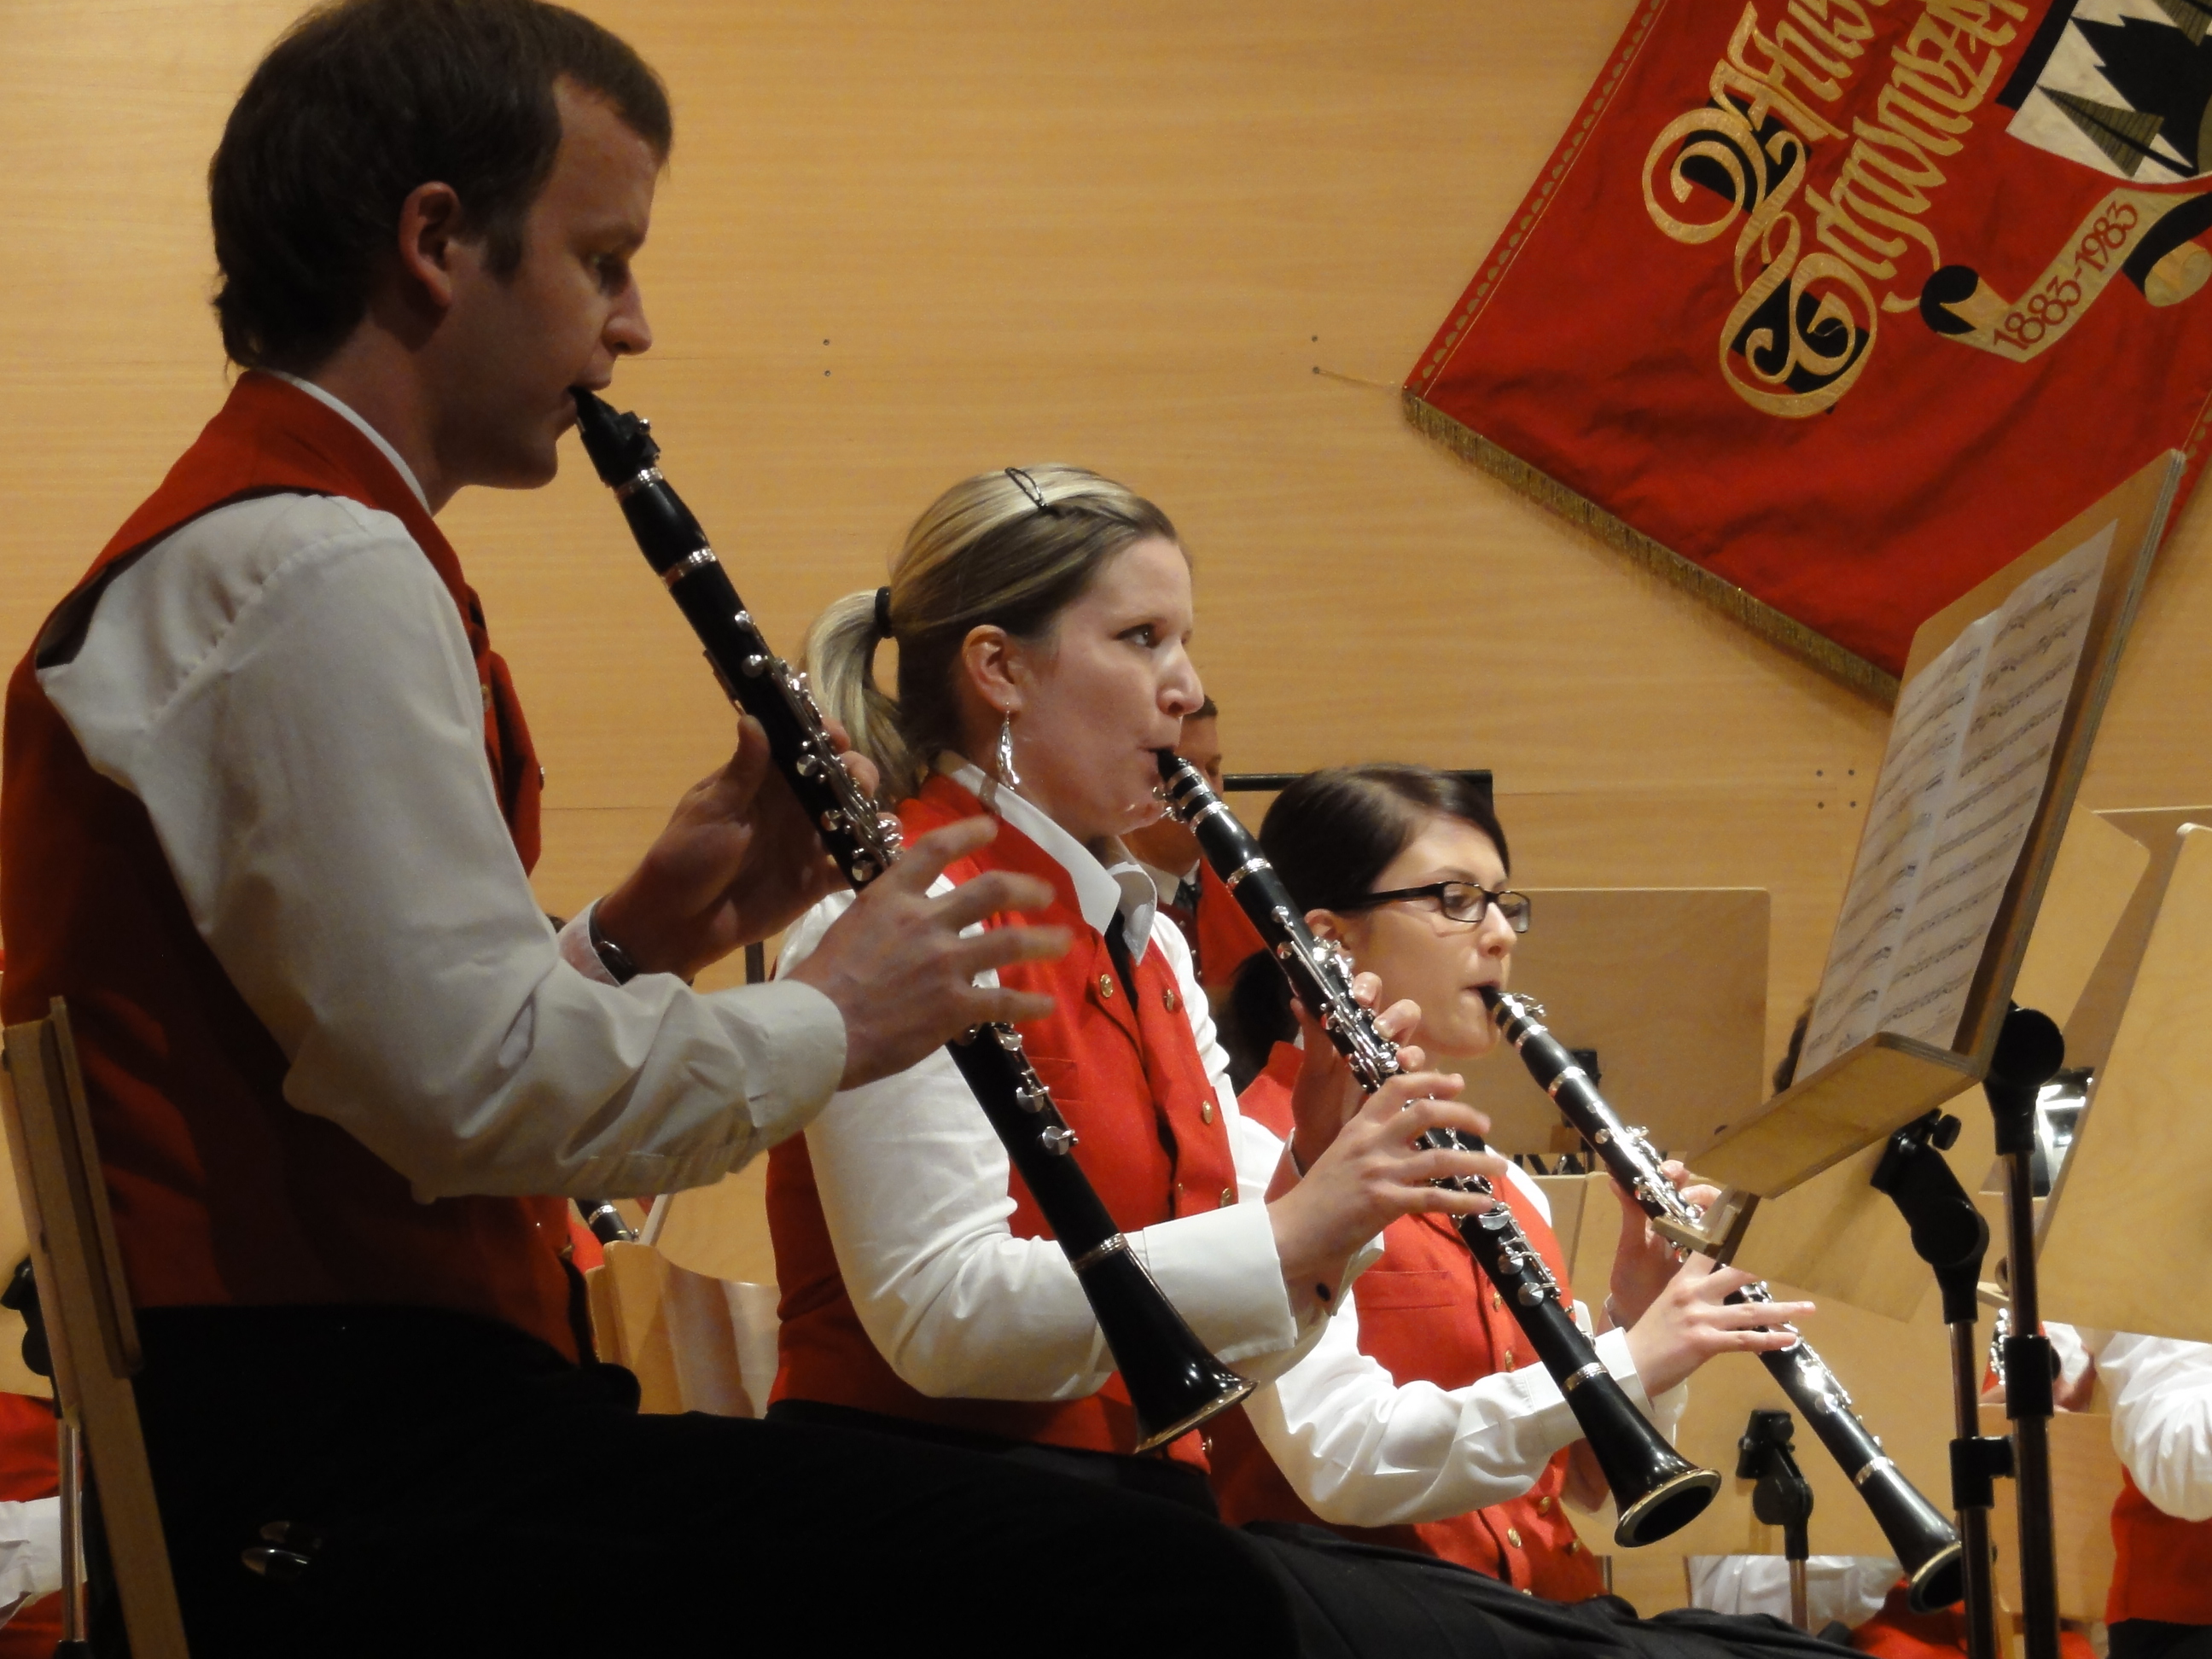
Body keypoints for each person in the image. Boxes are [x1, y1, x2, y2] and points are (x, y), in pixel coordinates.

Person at [0, 3, 1324, 1651]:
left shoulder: (277, 551)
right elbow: (471, 1099)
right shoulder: (310, 568)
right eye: (602, 260)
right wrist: (830, 1018)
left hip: (346, 1433)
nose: (632, 324)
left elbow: (392, 1067)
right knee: (1152, 1585)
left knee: (1140, 1558)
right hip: (348, 1467)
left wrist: (640, 937)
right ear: (435, 242)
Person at [773, 466, 1854, 1656]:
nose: (1187, 688)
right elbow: (941, 1320)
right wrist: (1298, 1228)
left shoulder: (1147, 948)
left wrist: (1318, 1186)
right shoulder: (892, 915)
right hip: (945, 1540)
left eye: (1184, 641)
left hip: (1121, 1535)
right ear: (1001, 670)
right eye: (1142, 639)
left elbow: (1238, 1344)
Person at [1206, 764, 1802, 1597]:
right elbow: (1342, 1461)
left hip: (1543, 1612)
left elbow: (1589, 1488)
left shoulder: (1505, 1184)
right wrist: (1627, 1360)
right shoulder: (1248, 1157)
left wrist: (1636, 1312)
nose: (1500, 935)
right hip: (1363, 1618)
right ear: (1331, 942)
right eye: (1456, 900)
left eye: (1501, 901)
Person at [1121, 697, 1264, 1003]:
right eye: (1183, 773)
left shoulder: (1255, 895)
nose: (1207, 790)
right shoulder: (1094, 905)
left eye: (1213, 769)